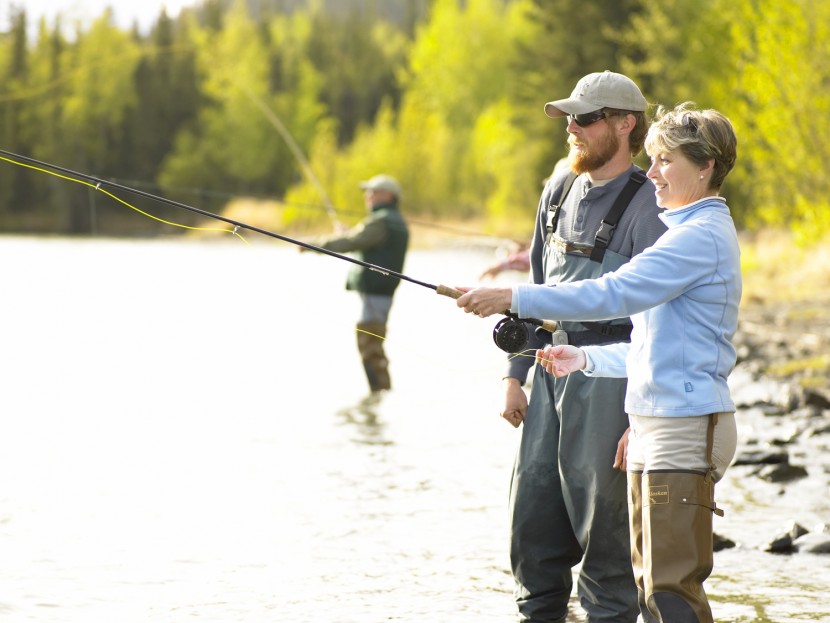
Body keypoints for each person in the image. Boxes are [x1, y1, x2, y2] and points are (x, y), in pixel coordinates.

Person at [457, 102, 740, 623]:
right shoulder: (683, 233)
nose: (651, 172)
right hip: (661, 425)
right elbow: (652, 346)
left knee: (670, 590)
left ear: (705, 167)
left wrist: (513, 298)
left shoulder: (699, 238)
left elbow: (613, 293)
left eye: (664, 161)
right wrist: (585, 357)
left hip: (685, 427)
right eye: (651, 160)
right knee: (651, 588)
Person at [480, 71, 669, 623]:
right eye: (569, 118)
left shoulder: (649, 207)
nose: (572, 128)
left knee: (608, 538)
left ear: (624, 124)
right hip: (544, 373)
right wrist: (514, 374)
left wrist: (642, 414)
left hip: (612, 380)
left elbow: (658, 321)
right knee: (532, 523)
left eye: (584, 119)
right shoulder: (557, 188)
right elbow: (533, 292)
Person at [304, 174, 409, 392]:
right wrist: (350, 233)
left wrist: (312, 244)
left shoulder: (381, 220)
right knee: (371, 342)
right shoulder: (392, 220)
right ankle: (380, 397)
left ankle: (380, 394)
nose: (368, 196)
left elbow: (354, 241)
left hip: (376, 293)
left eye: (373, 192)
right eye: (367, 192)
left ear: (388, 195)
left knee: (370, 344)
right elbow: (363, 239)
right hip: (381, 291)